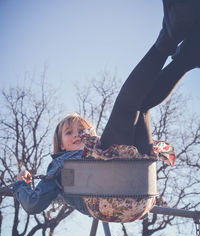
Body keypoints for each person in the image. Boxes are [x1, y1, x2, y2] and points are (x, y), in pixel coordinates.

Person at [13, 0, 200, 220]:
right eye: (69, 132)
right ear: (60, 143)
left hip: (140, 190)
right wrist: (20, 184)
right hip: (105, 200)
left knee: (143, 108)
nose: (77, 135)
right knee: (127, 105)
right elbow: (34, 204)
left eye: (82, 130)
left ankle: (187, 57)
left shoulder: (102, 149)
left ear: (92, 135)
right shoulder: (60, 164)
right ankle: (169, 36)